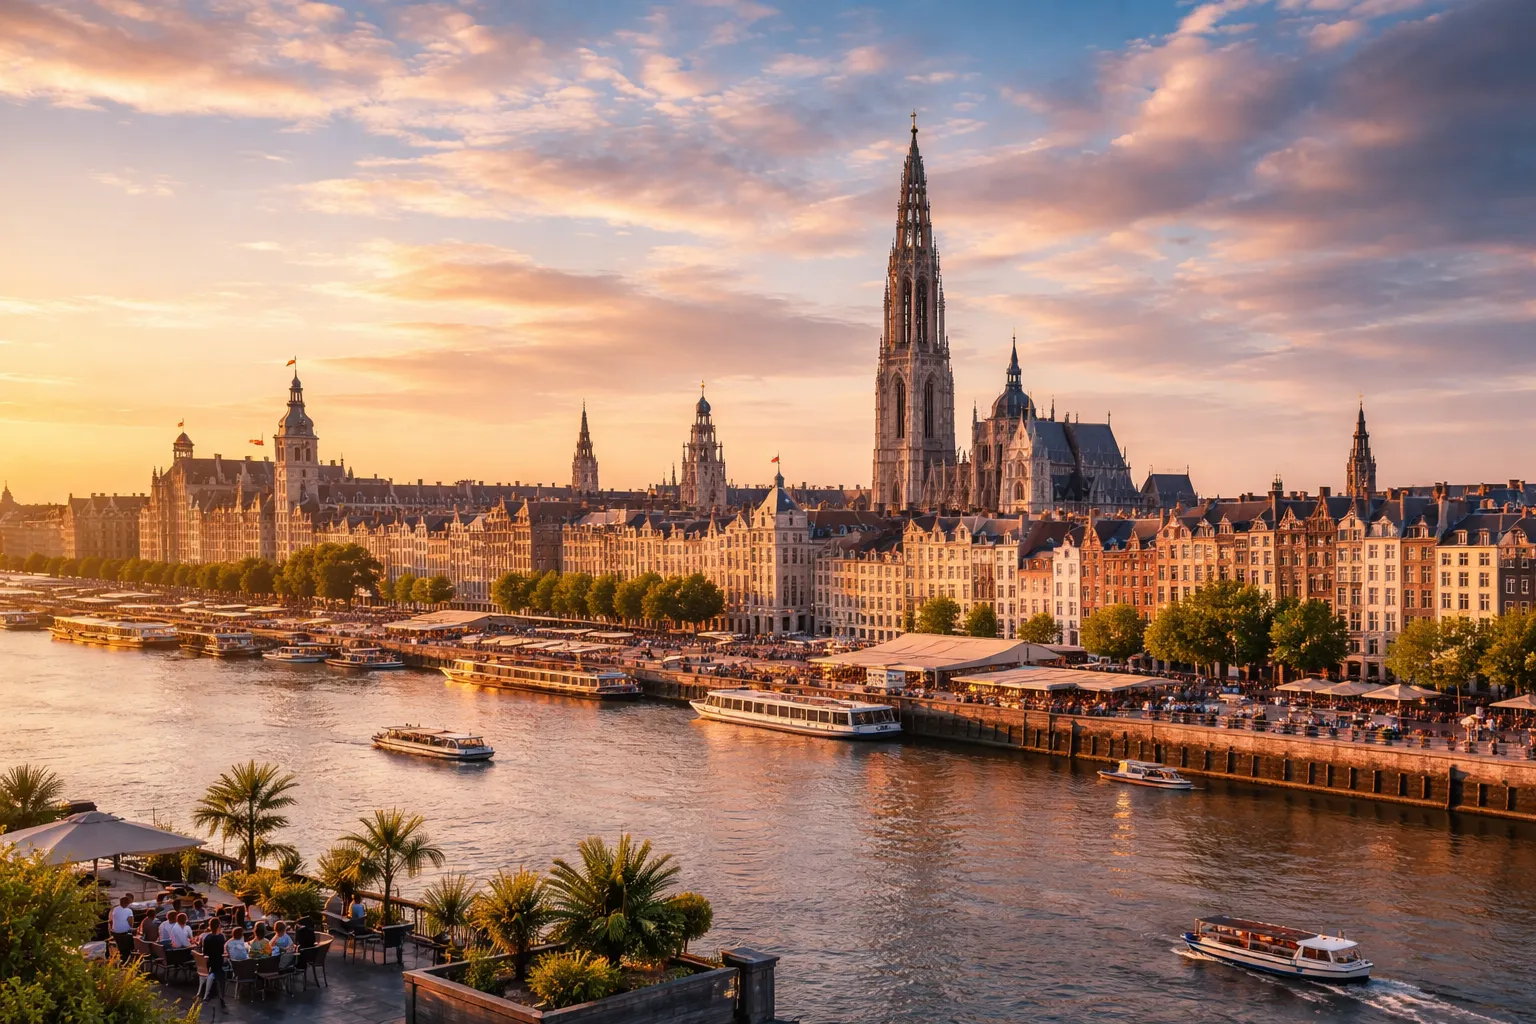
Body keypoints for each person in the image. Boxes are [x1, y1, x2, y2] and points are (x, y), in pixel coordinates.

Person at [200, 916, 228, 1010]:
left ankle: (207, 994)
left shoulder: (207, 937)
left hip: (210, 962)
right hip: (218, 962)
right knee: (219, 974)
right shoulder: (221, 937)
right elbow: (222, 951)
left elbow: (205, 953)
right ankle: (221, 996)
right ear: (218, 926)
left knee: (213, 973)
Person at [109, 895, 137, 962]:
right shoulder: (129, 911)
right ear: (127, 903)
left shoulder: (115, 909)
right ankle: (133, 951)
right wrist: (131, 927)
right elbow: (131, 922)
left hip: (115, 932)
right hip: (124, 933)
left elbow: (111, 921)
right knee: (136, 933)